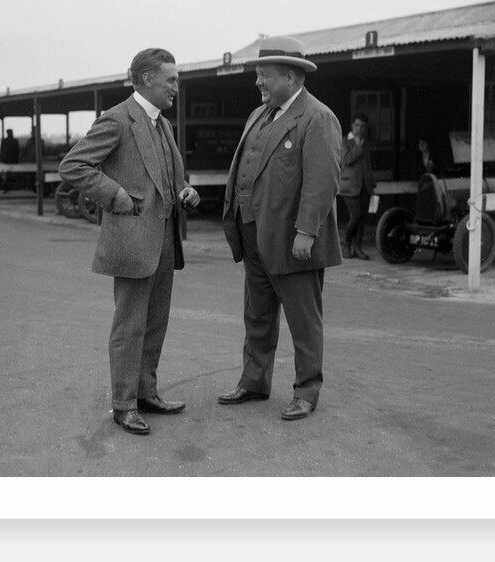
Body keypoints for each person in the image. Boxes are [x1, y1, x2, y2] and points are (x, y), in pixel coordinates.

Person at [58, 48, 200, 436]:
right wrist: (114, 194)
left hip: (165, 239)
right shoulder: (117, 119)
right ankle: (124, 405)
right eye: (170, 79)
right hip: (133, 239)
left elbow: (169, 178)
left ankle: (146, 393)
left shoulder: (162, 124)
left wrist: (185, 190)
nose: (176, 87)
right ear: (147, 79)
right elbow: (73, 166)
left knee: (155, 323)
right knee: (129, 326)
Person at [218, 35, 343, 421]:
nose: (258, 83)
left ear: (290, 77)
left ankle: (306, 391)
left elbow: (322, 181)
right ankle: (254, 381)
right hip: (253, 233)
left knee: (303, 320)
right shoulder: (259, 114)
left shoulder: (317, 117)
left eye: (264, 76)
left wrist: (306, 231)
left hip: (292, 240)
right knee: (257, 314)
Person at [339, 113, 375, 260]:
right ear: (352, 125)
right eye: (357, 125)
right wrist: (358, 148)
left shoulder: (365, 142)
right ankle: (346, 244)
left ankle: (358, 248)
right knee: (355, 216)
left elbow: (368, 165)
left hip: (364, 186)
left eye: (362, 126)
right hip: (349, 186)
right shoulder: (345, 141)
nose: (359, 128)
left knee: (362, 219)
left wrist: (371, 184)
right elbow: (345, 161)